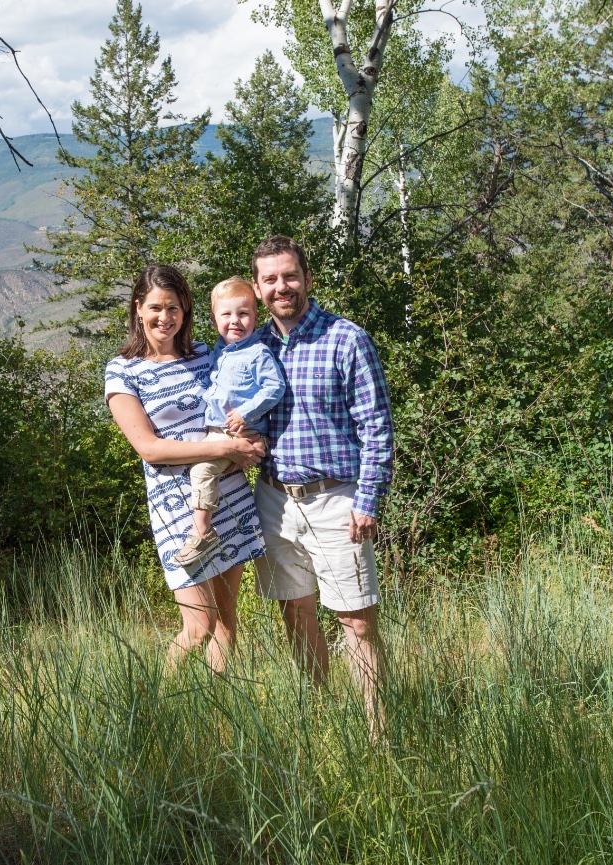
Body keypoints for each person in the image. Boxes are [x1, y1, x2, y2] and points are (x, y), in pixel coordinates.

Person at [250, 235, 395, 733]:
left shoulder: (346, 339)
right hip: (274, 499)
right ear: (257, 288)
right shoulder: (254, 347)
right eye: (270, 279)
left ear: (308, 279)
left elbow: (376, 426)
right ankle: (322, 724)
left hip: (337, 499)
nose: (281, 287)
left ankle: (379, 737)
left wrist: (368, 499)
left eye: (289, 276)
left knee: (356, 619)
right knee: (295, 612)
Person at [104, 264, 268, 672]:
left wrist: (251, 434)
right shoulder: (123, 370)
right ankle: (159, 710)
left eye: (174, 307)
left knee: (228, 623)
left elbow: (235, 402)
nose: (165, 317)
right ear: (138, 308)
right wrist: (226, 445)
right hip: (176, 507)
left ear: (186, 310)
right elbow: (149, 448)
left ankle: (216, 720)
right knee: (198, 625)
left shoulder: (204, 355)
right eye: (156, 307)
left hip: (227, 495)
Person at [174, 277, 286, 567]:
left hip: (240, 431)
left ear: (255, 317)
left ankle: (202, 533)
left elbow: (274, 388)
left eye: (243, 313)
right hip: (219, 431)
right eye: (226, 314)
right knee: (203, 470)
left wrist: (245, 413)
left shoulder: (257, 352)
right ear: (214, 319)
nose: (235, 321)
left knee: (202, 469)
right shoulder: (218, 351)